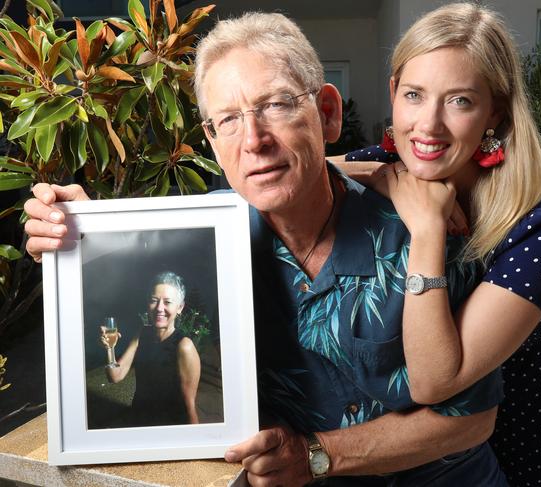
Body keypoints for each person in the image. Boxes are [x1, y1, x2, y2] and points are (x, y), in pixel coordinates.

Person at [24, 11, 508, 486]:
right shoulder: (210, 234)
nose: (253, 141)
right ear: (212, 143)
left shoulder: (425, 233)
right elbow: (135, 251)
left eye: (276, 105)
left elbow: (471, 419)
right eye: (228, 120)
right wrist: (76, 230)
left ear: (327, 114)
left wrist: (319, 456)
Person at [335, 3, 541, 486]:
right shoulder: (394, 165)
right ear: (393, 93)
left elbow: (435, 380)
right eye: (414, 95)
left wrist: (427, 227)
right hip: (425, 453)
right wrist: (386, 176)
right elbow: (296, 175)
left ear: (496, 108)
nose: (427, 125)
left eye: (459, 101)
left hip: (520, 435)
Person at [100, 271, 201, 426]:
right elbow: (115, 376)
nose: (159, 308)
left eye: (167, 302)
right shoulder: (142, 333)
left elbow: (189, 406)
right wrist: (110, 349)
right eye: (154, 300)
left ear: (180, 307)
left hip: (168, 426)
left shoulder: (184, 346)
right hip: (139, 419)